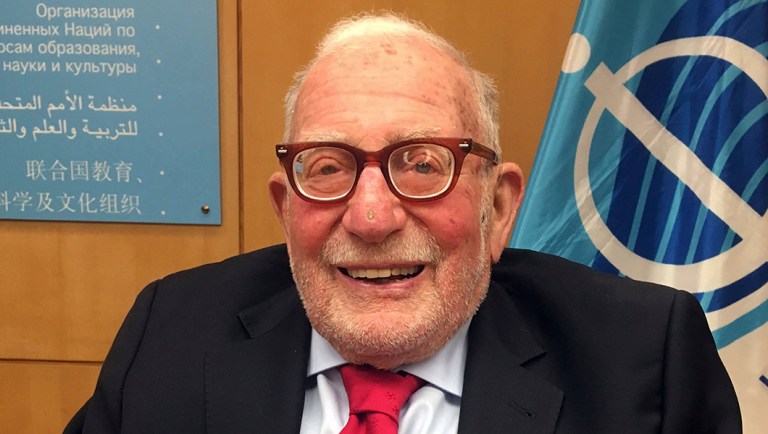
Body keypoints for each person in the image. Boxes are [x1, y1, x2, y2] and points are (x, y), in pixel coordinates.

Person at [66, 13, 740, 433]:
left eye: (421, 163)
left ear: (497, 207)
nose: (369, 217)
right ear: (285, 206)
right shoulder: (172, 333)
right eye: (327, 167)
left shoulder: (643, 363)